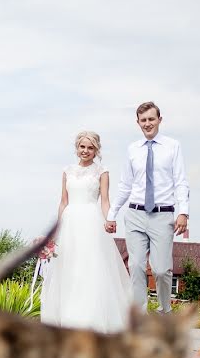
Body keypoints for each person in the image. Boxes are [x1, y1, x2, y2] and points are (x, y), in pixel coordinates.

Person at [40, 131, 134, 333]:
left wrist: (110, 219)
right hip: (70, 223)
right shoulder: (67, 171)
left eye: (90, 148)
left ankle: (90, 318)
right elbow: (63, 201)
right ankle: (66, 317)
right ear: (77, 148)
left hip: (92, 222)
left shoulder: (102, 171)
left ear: (96, 150)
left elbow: (105, 201)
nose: (86, 151)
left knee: (90, 267)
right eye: (82, 147)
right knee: (68, 267)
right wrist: (56, 230)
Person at [105, 102, 189, 313]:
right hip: (135, 214)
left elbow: (181, 182)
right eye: (143, 120)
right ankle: (139, 319)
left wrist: (183, 212)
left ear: (160, 120)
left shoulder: (173, 146)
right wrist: (111, 214)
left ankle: (164, 312)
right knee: (136, 266)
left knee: (161, 270)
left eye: (151, 119)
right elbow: (125, 185)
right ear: (138, 123)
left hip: (162, 215)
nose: (147, 123)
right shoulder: (132, 149)